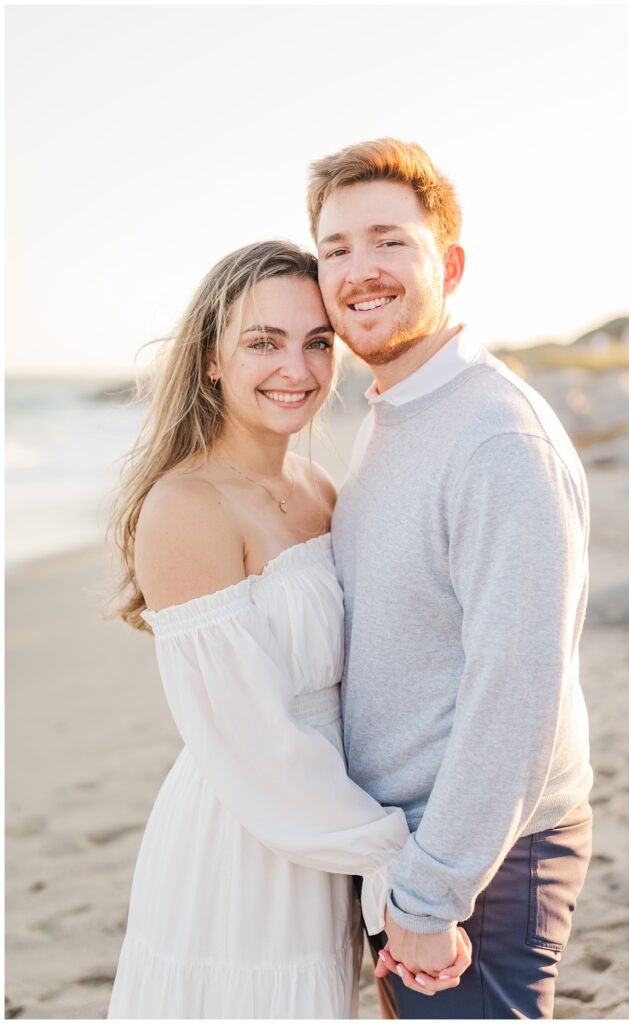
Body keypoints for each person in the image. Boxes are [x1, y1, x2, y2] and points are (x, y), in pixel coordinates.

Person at [105, 240, 442, 1019]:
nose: (296, 367)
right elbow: (251, 738)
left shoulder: (317, 484)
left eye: (317, 342)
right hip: (245, 831)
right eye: (263, 342)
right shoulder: (186, 507)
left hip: (329, 824)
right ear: (212, 359)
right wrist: (397, 858)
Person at [307, 139, 594, 1019]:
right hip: (416, 846)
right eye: (336, 249)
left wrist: (433, 895)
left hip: (483, 855)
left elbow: (517, 687)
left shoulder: (496, 439)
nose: (360, 271)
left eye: (389, 241)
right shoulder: (396, 411)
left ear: (451, 264)